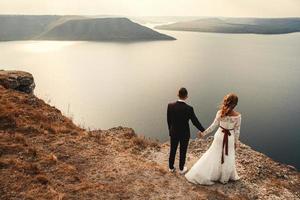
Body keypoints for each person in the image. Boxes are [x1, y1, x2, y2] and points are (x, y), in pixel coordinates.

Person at [185, 93, 241, 185]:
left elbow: (213, 126)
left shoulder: (220, 112)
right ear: (235, 104)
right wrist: (236, 142)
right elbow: (237, 131)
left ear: (225, 102)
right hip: (229, 137)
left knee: (214, 154)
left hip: (219, 136)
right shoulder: (238, 116)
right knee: (228, 156)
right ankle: (224, 178)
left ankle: (211, 174)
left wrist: (203, 133)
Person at [167, 87, 205, 174]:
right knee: (183, 151)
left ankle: (171, 167)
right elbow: (195, 122)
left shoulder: (170, 106)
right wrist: (203, 130)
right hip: (184, 134)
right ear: (186, 96)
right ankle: (181, 169)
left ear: (178, 95)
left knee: (173, 149)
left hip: (173, 132)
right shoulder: (189, 108)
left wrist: (170, 130)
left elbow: (168, 120)